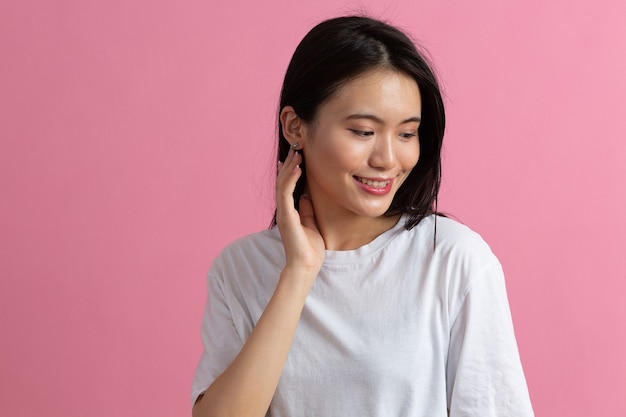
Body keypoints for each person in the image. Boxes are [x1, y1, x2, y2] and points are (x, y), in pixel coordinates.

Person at [191, 16, 534, 417]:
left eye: (406, 134)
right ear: (295, 127)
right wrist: (298, 273)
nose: (388, 159)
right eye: (363, 131)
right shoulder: (239, 270)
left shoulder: (454, 260)